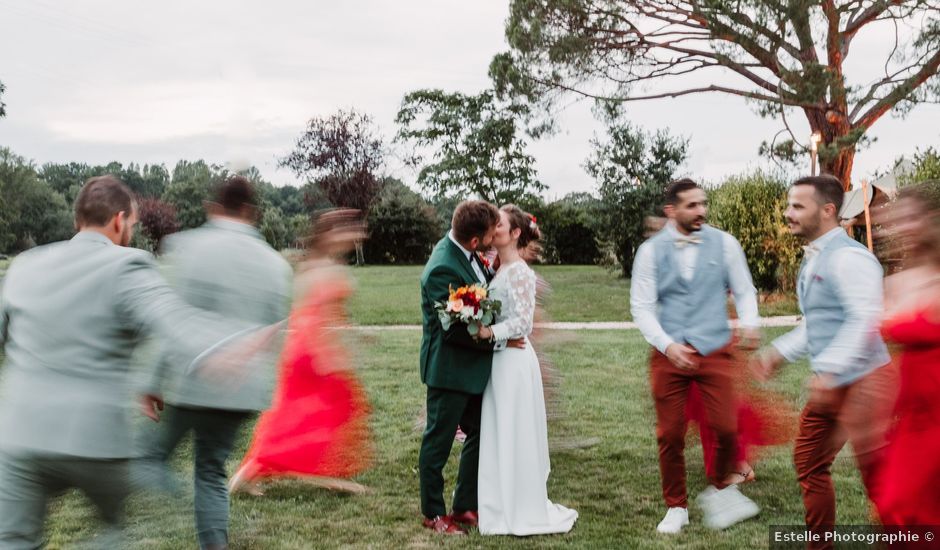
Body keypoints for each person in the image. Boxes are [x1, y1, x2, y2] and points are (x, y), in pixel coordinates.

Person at [0, 176, 260, 548]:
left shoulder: (25, 265)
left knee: (13, 539)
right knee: (115, 530)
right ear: (119, 220)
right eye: (133, 225)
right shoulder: (128, 266)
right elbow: (174, 319)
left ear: (79, 219)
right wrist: (226, 346)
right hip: (94, 442)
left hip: (19, 435)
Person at [137, 176, 293, 549]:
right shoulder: (276, 265)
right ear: (252, 213)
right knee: (210, 470)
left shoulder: (188, 248)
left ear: (214, 207)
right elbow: (276, 335)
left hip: (193, 380)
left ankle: (161, 497)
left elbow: (171, 320)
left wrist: (151, 382)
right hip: (242, 390)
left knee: (149, 457)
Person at [752, 175, 897, 549]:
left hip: (866, 380)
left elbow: (864, 318)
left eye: (798, 206)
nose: (788, 213)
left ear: (828, 211)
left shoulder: (850, 258)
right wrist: (779, 352)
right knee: (809, 460)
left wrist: (830, 369)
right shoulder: (816, 257)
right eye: (789, 205)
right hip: (833, 382)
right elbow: (819, 323)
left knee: (878, 475)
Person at [630, 178, 761, 533]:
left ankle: (720, 487)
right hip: (668, 353)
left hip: (715, 349)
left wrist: (749, 323)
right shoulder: (650, 252)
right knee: (669, 434)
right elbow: (641, 308)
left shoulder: (726, 243)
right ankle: (676, 507)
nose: (701, 210)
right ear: (671, 211)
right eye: (692, 205)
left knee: (727, 426)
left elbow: (745, 290)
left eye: (703, 203)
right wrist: (668, 345)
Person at [229, 209, 373, 495]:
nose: (356, 235)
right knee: (327, 409)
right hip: (310, 350)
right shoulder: (324, 268)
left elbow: (326, 312)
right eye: (349, 230)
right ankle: (326, 475)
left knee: (298, 413)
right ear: (331, 235)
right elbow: (319, 315)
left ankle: (253, 472)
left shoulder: (317, 264)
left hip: (301, 349)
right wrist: (328, 354)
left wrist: (357, 333)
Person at [417, 200, 524, 535]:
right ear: (476, 241)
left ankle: (465, 505)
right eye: (492, 233)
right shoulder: (442, 268)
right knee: (438, 441)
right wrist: (500, 340)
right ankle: (433, 513)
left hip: (472, 371)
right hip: (449, 371)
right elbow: (455, 331)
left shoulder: (468, 252)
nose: (496, 237)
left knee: (480, 431)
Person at [475, 205, 578, 535]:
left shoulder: (520, 272)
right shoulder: (496, 268)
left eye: (500, 223)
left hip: (515, 363)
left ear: (515, 233)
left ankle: (518, 503)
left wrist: (491, 334)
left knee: (515, 429)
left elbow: (523, 321)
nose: (495, 227)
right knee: (499, 427)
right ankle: (499, 500)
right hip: (500, 358)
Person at [875, 184, 940, 526]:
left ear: (929, 220)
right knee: (894, 506)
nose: (904, 227)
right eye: (898, 220)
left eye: (911, 218)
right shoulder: (895, 282)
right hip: (911, 410)